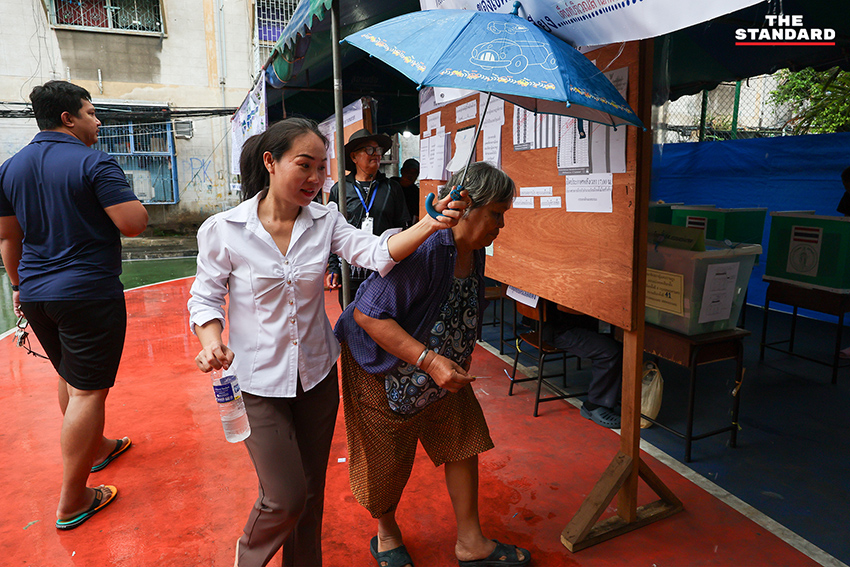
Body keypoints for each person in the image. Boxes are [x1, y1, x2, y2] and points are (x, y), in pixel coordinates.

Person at [186, 117, 465, 567]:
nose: (316, 179)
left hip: (316, 376)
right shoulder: (225, 229)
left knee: (311, 492)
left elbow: (375, 253)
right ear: (270, 162)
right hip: (258, 382)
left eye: (322, 168)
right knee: (283, 496)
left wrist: (429, 224)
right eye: (305, 165)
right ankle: (248, 559)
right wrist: (212, 339)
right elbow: (205, 297)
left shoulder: (324, 220)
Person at [334, 162, 531, 567]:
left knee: (463, 440)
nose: (501, 226)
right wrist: (429, 360)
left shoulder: (472, 252)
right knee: (385, 457)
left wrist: (443, 364)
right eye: (496, 214)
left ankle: (471, 542)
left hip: (441, 370)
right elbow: (368, 316)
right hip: (383, 368)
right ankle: (386, 533)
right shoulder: (426, 249)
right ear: (466, 206)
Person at [0, 80, 148, 530]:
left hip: (37, 291)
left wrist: (18, 287)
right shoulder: (94, 162)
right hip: (86, 291)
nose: (97, 121)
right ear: (68, 118)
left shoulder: (9, 168)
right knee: (87, 391)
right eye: (90, 112)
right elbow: (134, 223)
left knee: (69, 375)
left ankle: (99, 446)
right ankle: (72, 499)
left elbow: (10, 236)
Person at [326, 129, 411, 307]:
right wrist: (334, 267)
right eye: (369, 150)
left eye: (378, 150)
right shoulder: (340, 189)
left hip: (383, 272)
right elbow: (330, 230)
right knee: (351, 323)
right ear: (354, 157)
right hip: (350, 275)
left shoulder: (391, 188)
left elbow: (402, 228)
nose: (376, 155)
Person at [546, 307, 623, 429]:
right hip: (559, 329)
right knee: (609, 352)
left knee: (617, 337)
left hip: (570, 322)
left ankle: (615, 394)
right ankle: (594, 405)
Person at [390, 158, 421, 224]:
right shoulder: (391, 185)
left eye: (414, 173)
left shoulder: (416, 192)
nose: (410, 175)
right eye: (408, 171)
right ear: (402, 171)